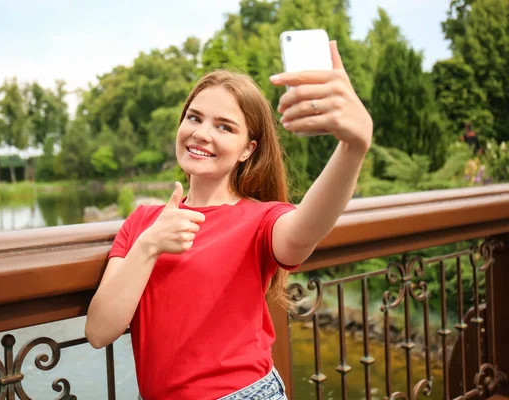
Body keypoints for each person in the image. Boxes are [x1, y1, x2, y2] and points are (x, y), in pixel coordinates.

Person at [85, 40, 373, 400]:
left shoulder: (260, 219)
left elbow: (307, 228)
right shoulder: (144, 222)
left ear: (247, 150)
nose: (202, 133)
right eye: (194, 117)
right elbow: (99, 331)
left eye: (225, 127)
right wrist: (149, 244)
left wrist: (353, 147)